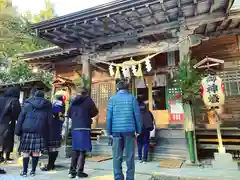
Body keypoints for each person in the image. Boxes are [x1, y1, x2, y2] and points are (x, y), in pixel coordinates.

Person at [106, 80, 142, 180]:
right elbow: (137, 116)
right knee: (130, 157)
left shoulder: (112, 99)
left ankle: (118, 178)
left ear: (117, 88)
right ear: (127, 88)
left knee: (117, 157)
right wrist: (139, 130)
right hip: (129, 131)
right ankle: (130, 178)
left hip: (116, 131)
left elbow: (109, 117)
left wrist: (108, 132)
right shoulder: (132, 98)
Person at [15, 90, 52, 177]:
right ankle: (33, 171)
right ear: (43, 96)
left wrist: (17, 131)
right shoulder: (47, 105)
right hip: (40, 130)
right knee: (36, 151)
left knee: (26, 151)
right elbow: (49, 120)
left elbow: (21, 118)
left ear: (34, 95)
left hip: (27, 129)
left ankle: (24, 172)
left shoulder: (27, 104)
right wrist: (49, 132)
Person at [68, 87, 98, 179]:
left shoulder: (73, 101)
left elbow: (69, 113)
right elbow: (95, 112)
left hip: (75, 127)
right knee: (82, 150)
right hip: (84, 127)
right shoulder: (89, 101)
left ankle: (72, 172)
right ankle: (79, 172)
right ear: (86, 93)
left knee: (75, 149)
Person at [41, 94, 66, 171]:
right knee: (55, 148)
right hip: (58, 129)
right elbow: (62, 119)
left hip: (52, 129)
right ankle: (52, 164)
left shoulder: (55, 107)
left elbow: (51, 117)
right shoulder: (62, 107)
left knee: (51, 148)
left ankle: (50, 166)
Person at [0, 87, 21, 174]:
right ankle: (4, 157)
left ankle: (2, 157)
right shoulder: (14, 101)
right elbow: (17, 114)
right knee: (5, 143)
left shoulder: (1, 99)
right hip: (8, 124)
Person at [137, 97, 154, 164]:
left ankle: (140, 158)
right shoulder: (147, 110)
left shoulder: (136, 110)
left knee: (139, 144)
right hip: (147, 128)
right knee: (146, 143)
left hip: (139, 129)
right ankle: (145, 159)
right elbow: (152, 118)